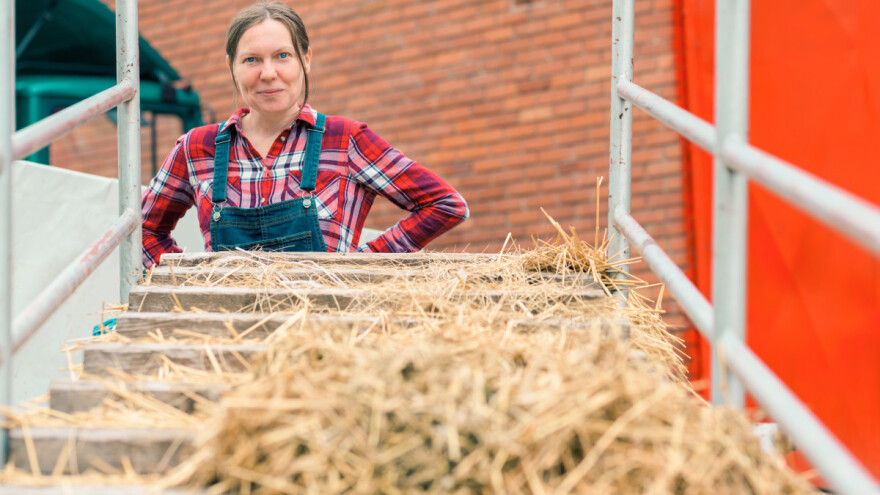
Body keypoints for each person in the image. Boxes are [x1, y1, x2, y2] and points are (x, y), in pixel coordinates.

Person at [141, 1, 468, 269]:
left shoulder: (345, 140)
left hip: (323, 334)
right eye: (252, 60)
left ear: (306, 60)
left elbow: (445, 204)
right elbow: (143, 231)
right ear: (232, 67)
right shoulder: (196, 148)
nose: (268, 74)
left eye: (282, 56)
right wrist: (189, 285)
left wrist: (363, 269)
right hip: (230, 336)